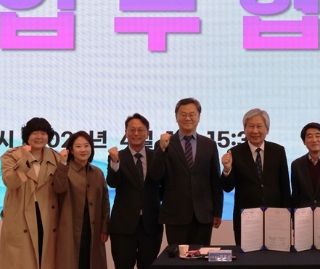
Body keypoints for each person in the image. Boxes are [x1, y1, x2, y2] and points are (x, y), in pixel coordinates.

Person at [149, 98, 223, 246]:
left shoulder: (209, 145)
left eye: (192, 114)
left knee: (201, 257)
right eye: (183, 114)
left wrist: (217, 212)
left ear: (199, 117)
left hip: (203, 215)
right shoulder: (164, 143)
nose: (187, 118)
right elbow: (155, 176)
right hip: (175, 215)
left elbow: (215, 181)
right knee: (177, 257)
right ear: (176, 117)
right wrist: (161, 150)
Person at [0, 117, 63, 269]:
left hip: (47, 216)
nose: (39, 137)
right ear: (27, 135)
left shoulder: (56, 157)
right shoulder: (11, 156)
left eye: (43, 133)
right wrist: (24, 161)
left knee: (46, 259)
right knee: (20, 262)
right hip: (21, 217)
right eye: (35, 133)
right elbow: (10, 182)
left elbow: (61, 187)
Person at [220, 108, 291, 245]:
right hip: (245, 219)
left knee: (276, 255)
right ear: (244, 129)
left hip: (275, 217)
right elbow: (227, 187)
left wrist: (287, 216)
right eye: (251, 126)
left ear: (267, 129)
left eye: (259, 126)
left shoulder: (278, 151)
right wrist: (227, 169)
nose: (255, 131)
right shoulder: (234, 152)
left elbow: (285, 187)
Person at [107, 113, 163, 269]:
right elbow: (112, 182)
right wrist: (115, 162)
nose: (136, 133)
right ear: (125, 132)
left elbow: (162, 183)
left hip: (151, 225)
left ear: (147, 133)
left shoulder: (156, 156)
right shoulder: (117, 156)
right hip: (123, 226)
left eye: (140, 130)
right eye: (132, 130)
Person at [54, 131, 110, 269]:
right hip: (71, 228)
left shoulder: (97, 172)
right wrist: (62, 164)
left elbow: (105, 201)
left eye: (86, 145)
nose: (83, 150)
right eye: (78, 146)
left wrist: (105, 226)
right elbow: (58, 189)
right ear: (71, 150)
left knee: (92, 262)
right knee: (73, 262)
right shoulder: (64, 169)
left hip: (93, 228)